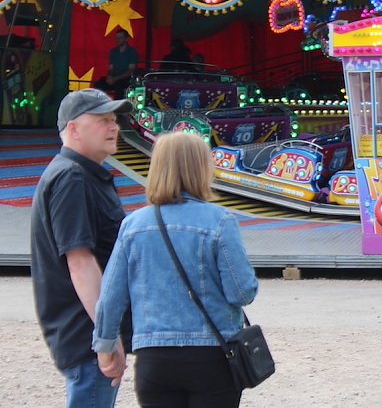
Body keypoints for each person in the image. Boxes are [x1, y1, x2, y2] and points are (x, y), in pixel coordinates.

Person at [93, 131, 259, 407]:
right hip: (213, 356)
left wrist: (105, 345)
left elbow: (110, 297)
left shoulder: (132, 226)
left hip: (154, 358)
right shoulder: (220, 221)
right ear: (202, 168)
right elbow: (241, 293)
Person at [30, 88, 133, 407]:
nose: (114, 126)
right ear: (73, 128)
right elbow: (81, 263)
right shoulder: (72, 178)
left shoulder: (79, 174)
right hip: (86, 336)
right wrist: (107, 336)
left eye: (114, 119)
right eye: (102, 120)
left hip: (87, 333)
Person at [95, 28, 139, 98]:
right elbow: (111, 68)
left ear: (126, 39)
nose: (118, 40)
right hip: (114, 78)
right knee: (98, 84)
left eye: (120, 38)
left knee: (119, 86)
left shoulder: (132, 52)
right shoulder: (113, 52)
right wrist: (109, 77)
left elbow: (130, 71)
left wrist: (115, 79)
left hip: (126, 79)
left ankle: (118, 104)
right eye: (117, 38)